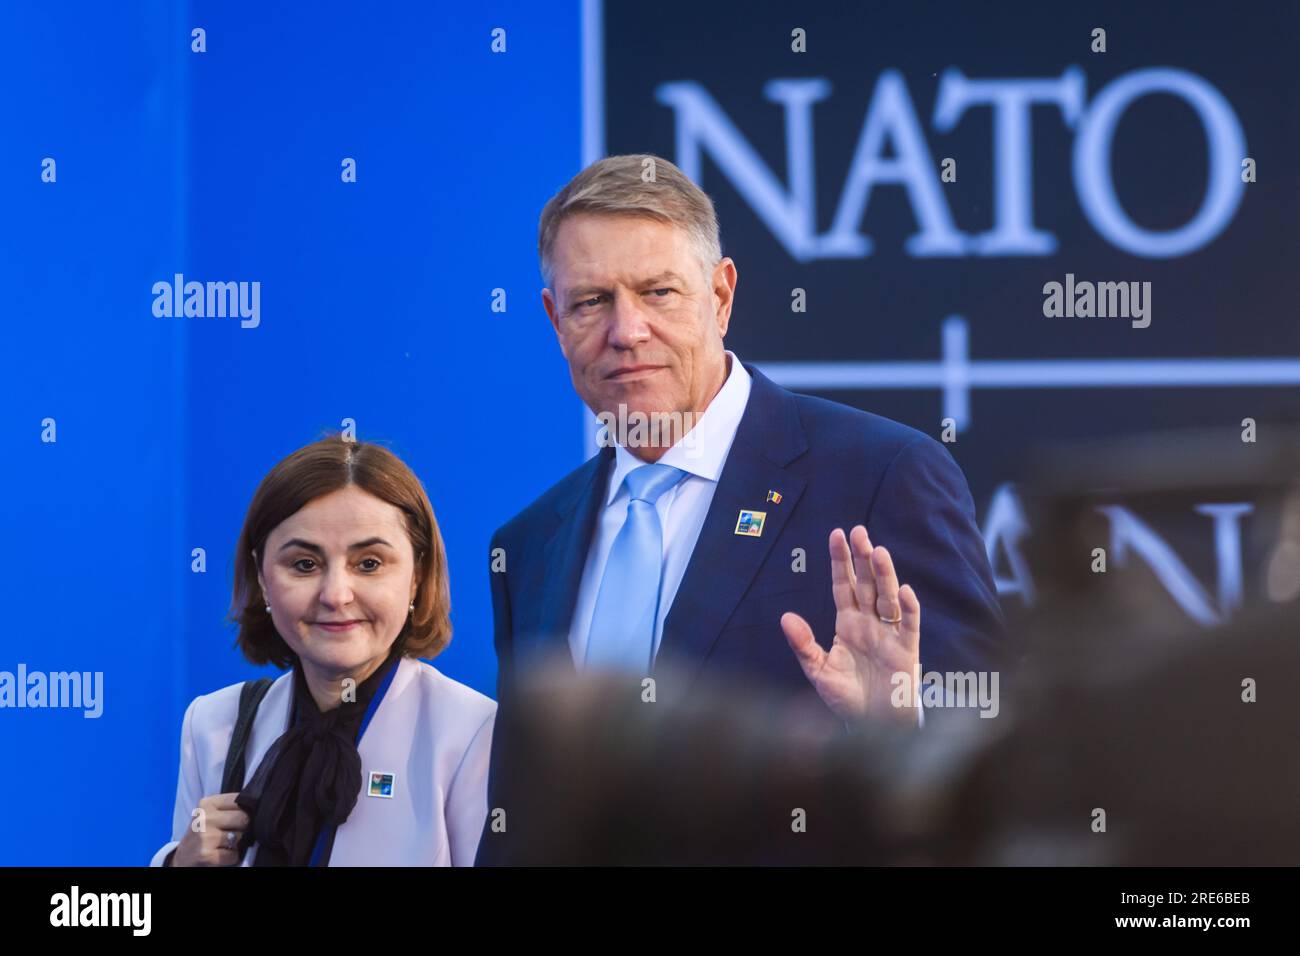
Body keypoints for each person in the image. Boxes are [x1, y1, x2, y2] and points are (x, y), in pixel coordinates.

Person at [476, 154, 1006, 864]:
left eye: (658, 292)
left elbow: (993, 773)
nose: (626, 331)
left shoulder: (881, 476)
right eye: (592, 301)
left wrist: (898, 726)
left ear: (721, 296)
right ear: (553, 318)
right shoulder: (530, 544)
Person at [150, 436, 495, 866]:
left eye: (368, 563)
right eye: (304, 565)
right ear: (261, 577)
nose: (335, 594)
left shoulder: (474, 733)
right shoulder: (213, 724)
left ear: (416, 576)